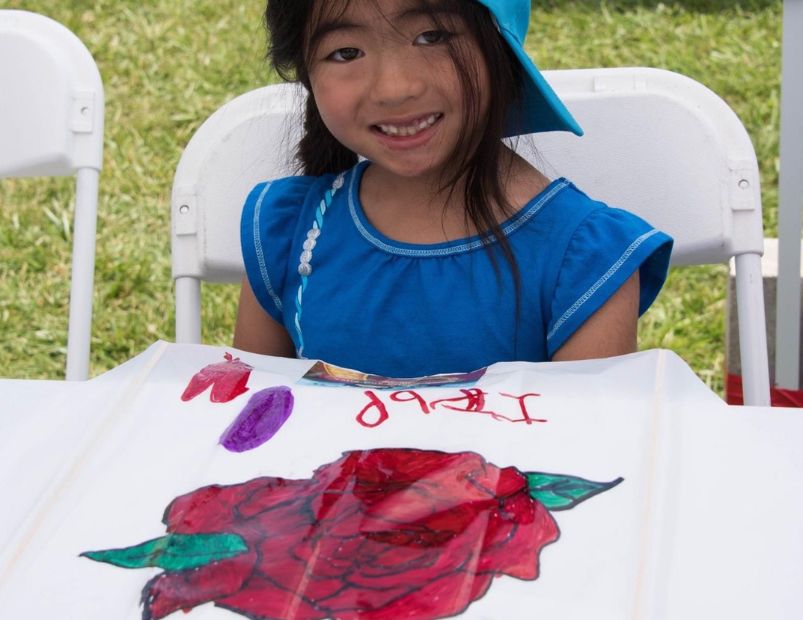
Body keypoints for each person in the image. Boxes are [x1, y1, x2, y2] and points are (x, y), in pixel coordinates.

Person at [234, 0, 673, 378]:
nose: (394, 88)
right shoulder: (285, 233)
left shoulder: (586, 263)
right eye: (346, 52)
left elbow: (584, 456)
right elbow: (249, 421)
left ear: (498, 48)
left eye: (432, 36)